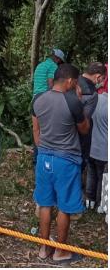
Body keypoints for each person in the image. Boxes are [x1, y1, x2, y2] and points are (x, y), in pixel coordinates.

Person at [32, 63, 90, 264]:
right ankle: (60, 252)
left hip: (43, 158)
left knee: (45, 203)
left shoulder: (38, 99)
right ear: (71, 81)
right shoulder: (73, 101)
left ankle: (43, 248)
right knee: (65, 205)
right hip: (66, 160)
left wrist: (46, 149)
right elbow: (84, 129)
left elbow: (36, 133)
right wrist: (80, 102)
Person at [79, 62, 105, 207]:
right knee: (98, 174)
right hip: (85, 141)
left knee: (89, 171)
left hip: (61, 137)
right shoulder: (91, 94)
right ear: (98, 77)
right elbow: (83, 120)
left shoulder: (71, 80)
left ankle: (88, 200)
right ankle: (97, 203)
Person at [88, 90, 107, 214]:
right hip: (104, 150)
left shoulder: (96, 99)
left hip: (91, 146)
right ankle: (100, 204)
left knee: (91, 174)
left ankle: (89, 201)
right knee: (102, 177)